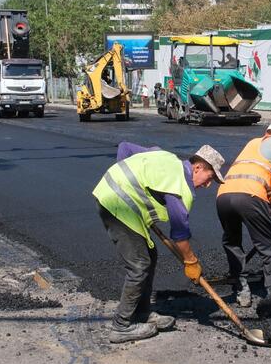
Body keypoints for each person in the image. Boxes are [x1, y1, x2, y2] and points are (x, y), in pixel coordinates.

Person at [92, 141, 226, 344]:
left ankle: (142, 313)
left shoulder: (164, 156)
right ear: (198, 167)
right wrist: (191, 261)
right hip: (117, 205)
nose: (208, 185)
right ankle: (121, 326)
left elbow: (125, 148)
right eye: (209, 178)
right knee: (139, 265)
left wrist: (127, 182)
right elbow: (179, 234)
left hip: (115, 198)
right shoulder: (179, 187)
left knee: (150, 256)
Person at [216, 121, 271, 309]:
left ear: (267, 132)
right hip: (252, 195)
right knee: (267, 246)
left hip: (223, 195)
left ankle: (242, 289)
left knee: (231, 241)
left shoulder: (253, 142)